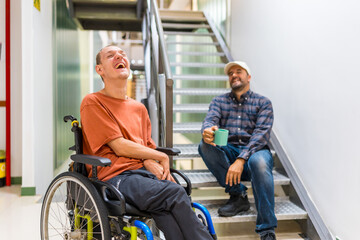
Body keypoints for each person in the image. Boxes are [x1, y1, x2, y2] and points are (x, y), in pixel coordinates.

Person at [80, 45, 212, 240]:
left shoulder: (138, 108)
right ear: (100, 69)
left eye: (122, 54)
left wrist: (148, 160)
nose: (119, 56)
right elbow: (119, 145)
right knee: (174, 193)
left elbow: (146, 146)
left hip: (142, 175)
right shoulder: (93, 102)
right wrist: (157, 156)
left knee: (166, 210)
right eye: (110, 55)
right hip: (115, 177)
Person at [198, 61, 277, 240]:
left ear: (248, 77)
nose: (234, 75)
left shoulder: (263, 103)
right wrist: (208, 130)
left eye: (238, 71)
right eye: (230, 73)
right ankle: (238, 194)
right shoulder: (219, 101)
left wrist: (241, 160)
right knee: (204, 146)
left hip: (255, 153)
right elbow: (211, 119)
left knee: (260, 161)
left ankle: (267, 231)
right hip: (230, 151)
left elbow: (260, 135)